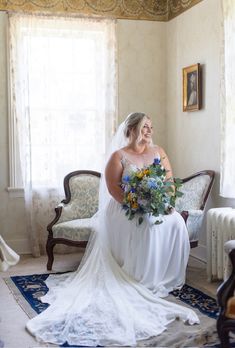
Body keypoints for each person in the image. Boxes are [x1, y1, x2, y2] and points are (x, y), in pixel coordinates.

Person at [26, 112, 199, 346]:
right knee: (146, 225)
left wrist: (160, 201)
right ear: (132, 130)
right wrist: (136, 204)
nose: (149, 130)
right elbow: (113, 189)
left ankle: (164, 275)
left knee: (176, 220)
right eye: (144, 127)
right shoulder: (119, 156)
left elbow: (168, 182)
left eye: (151, 126)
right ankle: (141, 277)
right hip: (124, 208)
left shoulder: (159, 153)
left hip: (155, 205)